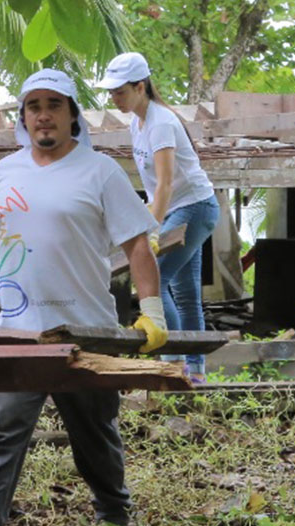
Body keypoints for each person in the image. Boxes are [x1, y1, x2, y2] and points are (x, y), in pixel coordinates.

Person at [0, 69, 169, 526]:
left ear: (72, 114)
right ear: (23, 117)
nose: (43, 113)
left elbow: (136, 246)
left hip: (86, 331)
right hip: (19, 330)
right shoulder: (5, 173)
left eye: (54, 104)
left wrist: (152, 312)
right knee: (1, 433)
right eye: (33, 105)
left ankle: (112, 517)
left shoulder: (99, 172)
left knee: (94, 433)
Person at [99, 52, 220, 385]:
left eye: (120, 91)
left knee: (155, 280)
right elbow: (153, 188)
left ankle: (174, 365)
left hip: (195, 207)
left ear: (141, 87)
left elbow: (165, 183)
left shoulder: (162, 122)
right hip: (177, 208)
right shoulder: (138, 123)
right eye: (111, 92)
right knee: (185, 292)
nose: (114, 98)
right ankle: (194, 372)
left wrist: (151, 229)